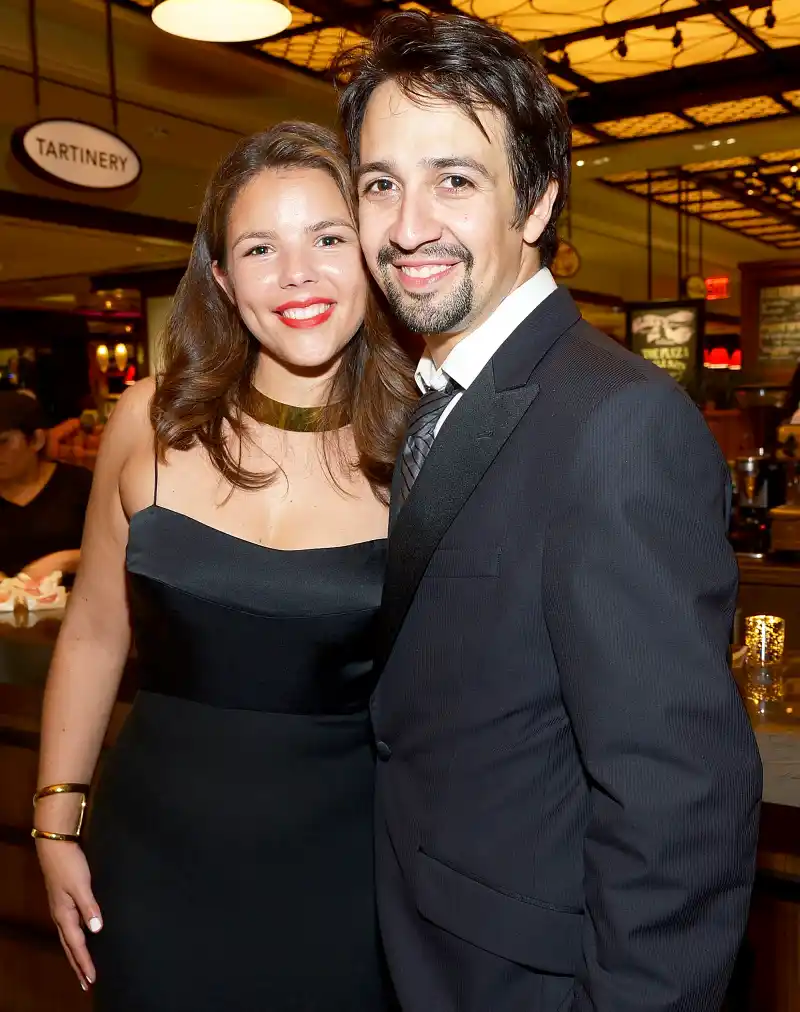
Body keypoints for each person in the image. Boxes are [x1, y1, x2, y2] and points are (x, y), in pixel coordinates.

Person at [337, 12, 762, 1012]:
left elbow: (677, 805)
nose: (406, 226)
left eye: (453, 179)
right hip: (429, 941)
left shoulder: (616, 422)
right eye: (379, 183)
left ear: (533, 202)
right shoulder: (438, 398)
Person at [33, 122, 416, 1012]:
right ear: (220, 277)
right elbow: (93, 633)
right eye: (259, 247)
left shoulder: (428, 451)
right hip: (152, 855)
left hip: (349, 874)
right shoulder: (148, 420)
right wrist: (55, 821)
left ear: (370, 255)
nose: (297, 275)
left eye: (327, 238)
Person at [0, 391, 92, 580]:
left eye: (3, 442)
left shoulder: (79, 485)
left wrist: (65, 561)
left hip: (76, 602)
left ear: (36, 440)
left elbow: (121, 550)